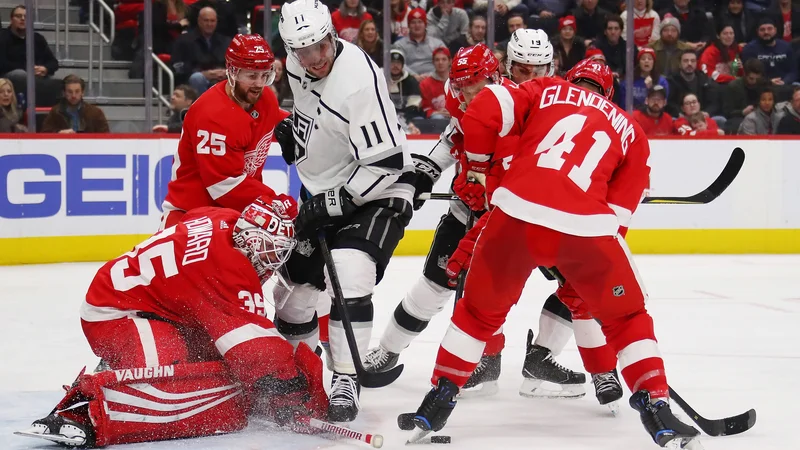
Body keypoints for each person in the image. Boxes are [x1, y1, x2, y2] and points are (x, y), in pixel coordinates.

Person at [409, 58, 702, 449]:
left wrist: (478, 167)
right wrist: (582, 280)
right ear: (610, 94)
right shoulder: (632, 131)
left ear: (570, 79)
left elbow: (483, 107)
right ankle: (655, 404)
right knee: (626, 317)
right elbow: (617, 220)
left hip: (514, 216)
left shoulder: (542, 90)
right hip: (585, 230)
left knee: (478, 315)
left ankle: (440, 396)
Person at [17, 199, 329, 448]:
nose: (273, 264)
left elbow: (264, 211)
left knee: (214, 366)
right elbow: (254, 352)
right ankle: (85, 411)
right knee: (169, 382)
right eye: (271, 254)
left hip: (156, 307)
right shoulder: (227, 269)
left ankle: (121, 365)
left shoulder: (226, 220)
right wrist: (293, 386)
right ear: (250, 245)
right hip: (117, 312)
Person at [276, 0, 413, 423]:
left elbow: (386, 164)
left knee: (349, 270)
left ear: (334, 35)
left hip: (377, 191)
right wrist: (294, 137)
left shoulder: (358, 83)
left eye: (321, 46)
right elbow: (310, 111)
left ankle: (346, 379)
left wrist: (334, 202)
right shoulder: (296, 61)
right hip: (322, 189)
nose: (315, 59)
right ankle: (296, 370)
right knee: (291, 296)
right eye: (303, 52)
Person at [161, 34, 295, 229]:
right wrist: (274, 203)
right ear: (232, 72)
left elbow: (273, 120)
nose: (259, 83)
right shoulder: (212, 115)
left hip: (238, 213)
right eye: (251, 76)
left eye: (265, 75)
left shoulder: (265, 97)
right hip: (190, 217)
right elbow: (224, 185)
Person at [171, 6, 232, 94]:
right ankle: (202, 107)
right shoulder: (184, 40)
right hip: (195, 78)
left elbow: (235, 64)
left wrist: (226, 72)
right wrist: (204, 74)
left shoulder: (226, 41)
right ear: (199, 21)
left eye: (212, 21)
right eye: (206, 20)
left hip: (222, 77)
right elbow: (177, 66)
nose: (209, 24)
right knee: (197, 78)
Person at [41, 75, 110, 134]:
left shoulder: (96, 113)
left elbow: (106, 136)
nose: (73, 96)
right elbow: (44, 133)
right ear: (64, 93)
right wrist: (59, 133)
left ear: (82, 92)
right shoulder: (55, 111)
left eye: (77, 91)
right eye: (70, 92)